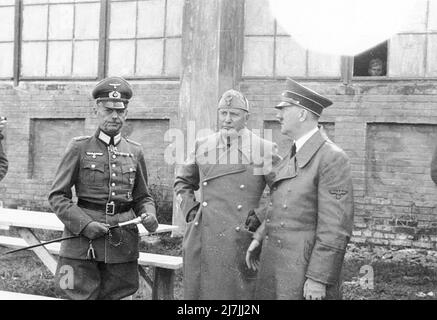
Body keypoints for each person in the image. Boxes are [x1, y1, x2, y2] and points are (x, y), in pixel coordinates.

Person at [48, 76, 159, 300]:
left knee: (118, 296)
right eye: (108, 110)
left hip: (122, 243)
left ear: (126, 113)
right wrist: (86, 224)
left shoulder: (135, 151)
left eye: (120, 111)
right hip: (82, 243)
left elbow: (142, 197)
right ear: (96, 110)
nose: (114, 116)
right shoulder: (79, 147)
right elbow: (57, 196)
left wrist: (150, 214)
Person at [246, 78, 354, 300]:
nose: (278, 115)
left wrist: (319, 278)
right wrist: (259, 237)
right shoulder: (293, 154)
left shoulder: (331, 158)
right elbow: (283, 205)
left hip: (302, 272)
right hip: (278, 264)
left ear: (302, 114)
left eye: (284, 109)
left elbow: (335, 228)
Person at [174, 89, 280, 300]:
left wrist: (258, 217)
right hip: (203, 235)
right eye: (223, 114)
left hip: (240, 237)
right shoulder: (203, 145)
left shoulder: (263, 148)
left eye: (234, 114)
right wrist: (191, 212)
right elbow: (183, 181)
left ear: (246, 117)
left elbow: (284, 192)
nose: (227, 120)